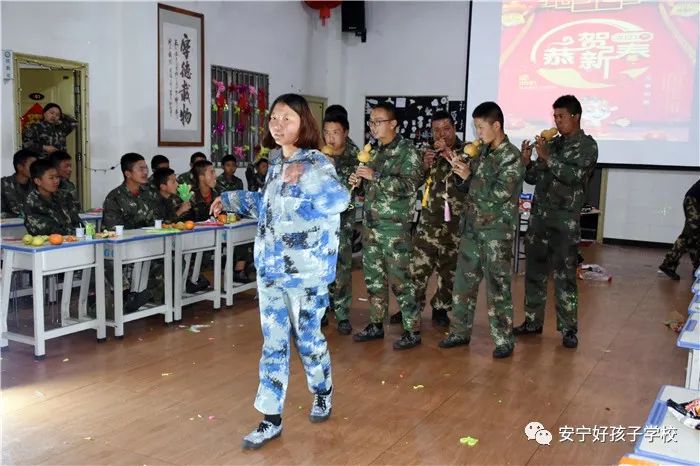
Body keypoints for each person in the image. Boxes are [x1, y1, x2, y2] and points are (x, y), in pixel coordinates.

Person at [210, 93, 349, 449]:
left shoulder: (316, 162)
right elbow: (268, 206)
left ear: (304, 123)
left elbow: (339, 201)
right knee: (273, 344)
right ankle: (270, 418)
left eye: (287, 118)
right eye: (274, 117)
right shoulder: (275, 163)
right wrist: (230, 199)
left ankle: (322, 390)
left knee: (308, 340)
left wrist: (307, 178)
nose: (278, 124)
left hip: (305, 275)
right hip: (271, 271)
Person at [438, 102, 524, 359]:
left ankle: (503, 339)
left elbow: (500, 193)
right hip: (472, 228)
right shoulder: (482, 152)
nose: (478, 133)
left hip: (496, 232)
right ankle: (459, 332)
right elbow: (469, 189)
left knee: (498, 287)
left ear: (496, 125)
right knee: (463, 283)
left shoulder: (512, 156)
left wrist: (470, 177)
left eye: (481, 127)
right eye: (475, 128)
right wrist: (459, 171)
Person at [514, 95, 598, 349]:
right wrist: (527, 162)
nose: (557, 121)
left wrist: (548, 157)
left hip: (564, 220)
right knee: (534, 272)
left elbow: (574, 176)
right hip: (539, 218)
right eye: (555, 117)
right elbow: (533, 178)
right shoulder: (553, 144)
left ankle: (568, 329)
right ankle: (532, 321)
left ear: (576, 116)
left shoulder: (587, 146)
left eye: (561, 116)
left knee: (564, 275)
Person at [350, 102, 424, 350]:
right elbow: (369, 188)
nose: (373, 126)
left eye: (378, 121)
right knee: (374, 279)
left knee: (402, 281)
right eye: (371, 122)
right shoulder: (374, 151)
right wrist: (359, 182)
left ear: (393, 124)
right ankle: (375, 324)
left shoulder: (408, 151)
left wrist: (375, 176)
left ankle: (412, 329)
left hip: (394, 229)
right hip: (371, 225)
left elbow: (410, 185)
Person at [390, 111, 467, 328]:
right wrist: (424, 166)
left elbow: (470, 181)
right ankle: (410, 308)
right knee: (417, 269)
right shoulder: (428, 153)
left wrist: (451, 156)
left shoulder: (469, 152)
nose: (441, 134)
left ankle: (441, 308)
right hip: (428, 223)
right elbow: (413, 182)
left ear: (454, 129)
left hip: (455, 223)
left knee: (449, 270)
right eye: (436, 131)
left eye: (446, 129)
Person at [102, 153, 159, 311]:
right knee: (110, 261)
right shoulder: (114, 197)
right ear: (127, 173)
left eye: (146, 168)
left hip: (149, 244)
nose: (145, 172)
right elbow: (112, 230)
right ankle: (127, 296)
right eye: (140, 169)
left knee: (170, 259)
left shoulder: (150, 193)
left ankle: (154, 297)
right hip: (124, 247)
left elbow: (158, 220)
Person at [321, 106, 360, 335]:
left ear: (345, 133)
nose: (330, 138)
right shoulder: (317, 153)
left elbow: (354, 191)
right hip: (319, 221)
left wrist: (333, 170)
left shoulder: (356, 156)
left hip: (343, 219)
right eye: (326, 132)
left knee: (342, 266)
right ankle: (321, 310)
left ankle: (342, 313)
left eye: (335, 133)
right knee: (320, 266)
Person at [23, 159, 81, 235]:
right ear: (38, 181)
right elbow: (48, 230)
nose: (56, 181)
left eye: (57, 177)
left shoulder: (65, 195)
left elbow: (77, 222)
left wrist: (81, 233)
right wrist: (73, 234)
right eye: (51, 178)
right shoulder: (31, 202)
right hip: (48, 241)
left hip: (74, 239)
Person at [659, 179, 700, 280]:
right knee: (690, 234)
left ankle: (697, 267)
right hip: (694, 200)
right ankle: (668, 264)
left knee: (694, 235)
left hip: (694, 200)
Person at [1, 149, 38, 217]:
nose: (35, 169)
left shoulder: (38, 184)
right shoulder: (3, 185)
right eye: (32, 166)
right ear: (20, 167)